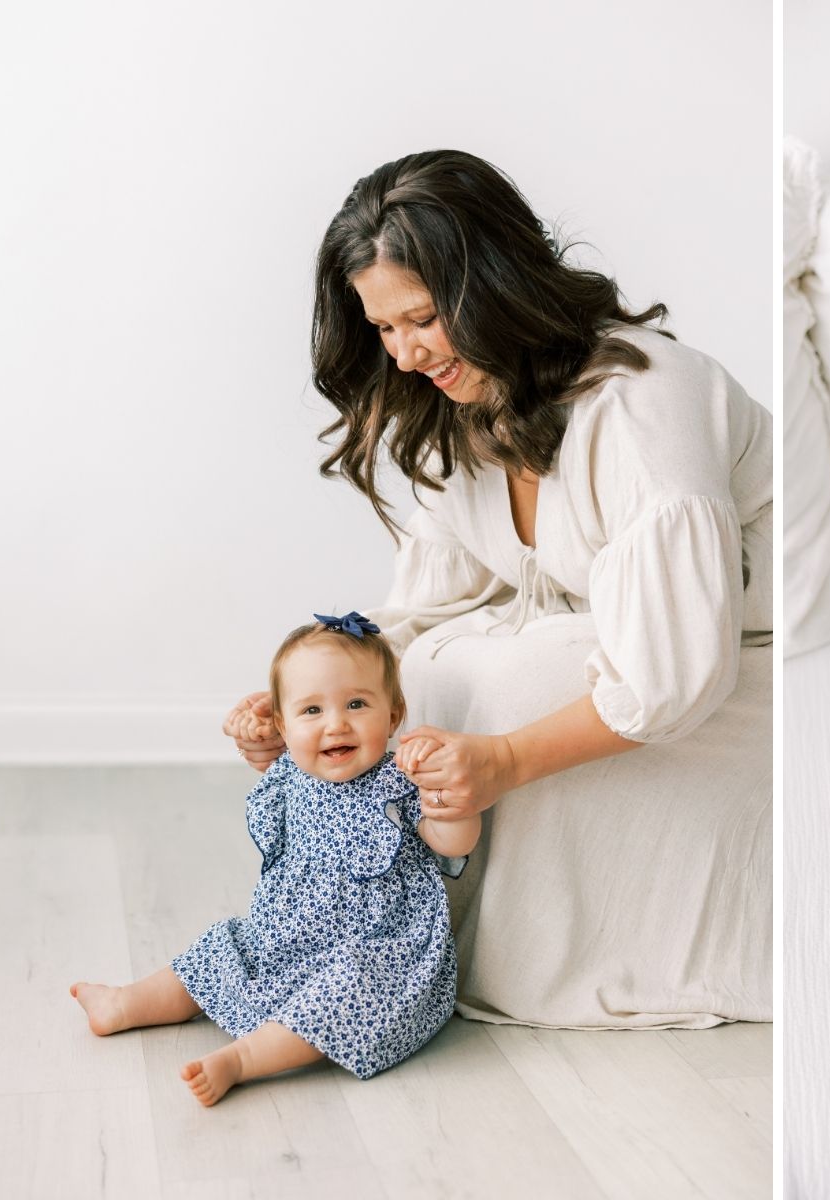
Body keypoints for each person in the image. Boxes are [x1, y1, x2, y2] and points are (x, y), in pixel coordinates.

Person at [224, 150, 772, 1025]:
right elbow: (428, 614)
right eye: (384, 329)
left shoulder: (642, 401)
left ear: (496, 286)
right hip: (644, 656)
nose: (404, 355)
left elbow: (672, 675)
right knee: (427, 678)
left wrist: (505, 760)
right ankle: (375, 944)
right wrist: (314, 707)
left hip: (749, 669)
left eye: (425, 318)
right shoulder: (462, 406)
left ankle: (484, 956)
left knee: (501, 686)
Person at [73, 614, 477, 1105]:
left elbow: (450, 844)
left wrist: (450, 802)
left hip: (377, 948)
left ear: (393, 716)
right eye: (312, 710)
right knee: (222, 948)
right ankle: (123, 1003)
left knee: (347, 989)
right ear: (284, 727)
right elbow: (258, 743)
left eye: (356, 704)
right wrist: (252, 724)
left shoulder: (399, 781)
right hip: (284, 935)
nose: (336, 724)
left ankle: (243, 1059)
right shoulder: (288, 773)